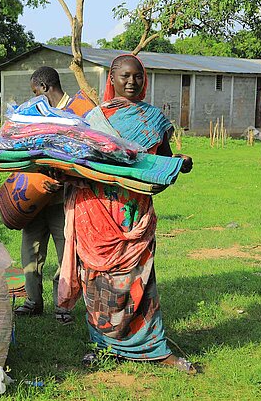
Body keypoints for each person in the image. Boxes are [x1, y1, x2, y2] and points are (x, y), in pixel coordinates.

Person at [56, 54, 195, 372]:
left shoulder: (154, 120)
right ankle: (101, 345)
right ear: (112, 79)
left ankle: (152, 346)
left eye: (138, 77)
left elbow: (160, 162)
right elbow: (78, 165)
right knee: (97, 282)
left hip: (134, 214)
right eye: (125, 76)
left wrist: (178, 163)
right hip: (96, 214)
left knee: (141, 283)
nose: (132, 82)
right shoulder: (93, 120)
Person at [14, 66, 85, 325]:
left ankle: (62, 305)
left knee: (65, 252)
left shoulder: (76, 111)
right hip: (34, 197)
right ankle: (33, 301)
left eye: (35, 92)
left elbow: (83, 151)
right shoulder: (36, 114)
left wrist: (61, 179)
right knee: (30, 252)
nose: (33, 97)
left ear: (45, 88)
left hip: (61, 199)